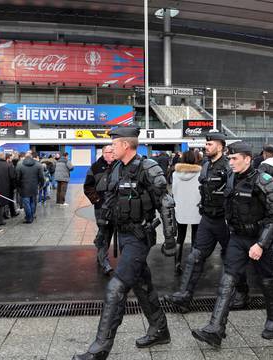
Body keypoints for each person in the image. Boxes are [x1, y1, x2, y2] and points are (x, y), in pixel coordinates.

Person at [73, 126, 177, 360]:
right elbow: (109, 202)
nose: (111, 147)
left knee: (116, 288)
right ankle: (160, 329)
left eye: (114, 143)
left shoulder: (148, 168)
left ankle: (100, 348)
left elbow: (166, 203)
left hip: (140, 237)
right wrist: (103, 235)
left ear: (126, 145)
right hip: (123, 234)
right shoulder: (117, 168)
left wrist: (170, 239)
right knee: (142, 284)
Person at [191, 141, 273, 349]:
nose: (230, 162)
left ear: (248, 159)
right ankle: (215, 328)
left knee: (267, 281)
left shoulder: (263, 180)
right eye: (229, 158)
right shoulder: (232, 177)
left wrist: (261, 244)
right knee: (227, 280)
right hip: (238, 238)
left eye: (234, 158)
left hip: (260, 239)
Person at [166, 133, 238, 313]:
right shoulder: (205, 166)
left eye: (210, 144)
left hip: (224, 221)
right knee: (194, 257)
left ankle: (241, 293)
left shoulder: (229, 167)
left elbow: (233, 193)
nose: (206, 146)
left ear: (220, 147)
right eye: (206, 143)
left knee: (232, 257)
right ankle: (184, 296)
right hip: (207, 218)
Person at [83, 145, 116, 275]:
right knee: (104, 230)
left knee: (110, 231)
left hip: (115, 206)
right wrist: (96, 200)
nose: (112, 154)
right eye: (109, 152)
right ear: (103, 153)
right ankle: (104, 261)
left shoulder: (119, 166)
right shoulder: (95, 167)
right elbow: (88, 186)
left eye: (113, 151)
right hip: (100, 206)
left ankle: (100, 253)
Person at [169, 150, 202, 275]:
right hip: (196, 209)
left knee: (180, 238)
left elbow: (174, 190)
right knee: (195, 238)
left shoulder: (175, 174)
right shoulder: (200, 173)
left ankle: (177, 264)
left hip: (181, 208)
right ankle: (193, 265)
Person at [16, 151, 44, 224]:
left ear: (25, 157)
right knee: (32, 202)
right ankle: (31, 215)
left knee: (26, 203)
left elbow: (17, 178)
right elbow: (41, 177)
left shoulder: (19, 164)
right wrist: (41, 185)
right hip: (34, 186)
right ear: (31, 157)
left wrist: (18, 186)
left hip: (24, 187)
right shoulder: (38, 164)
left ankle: (29, 218)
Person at [0, 152, 17, 224]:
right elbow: (12, 177)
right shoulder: (8, 165)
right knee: (2, 204)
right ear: (4, 157)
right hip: (5, 187)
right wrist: (14, 186)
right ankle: (0, 220)